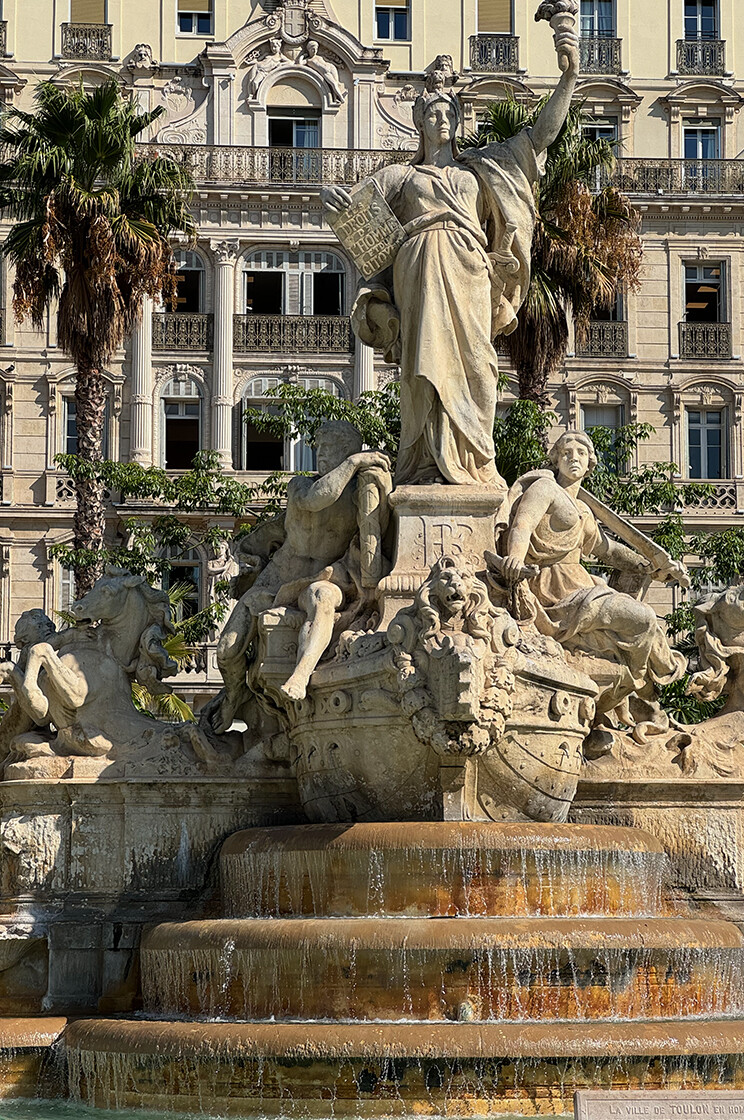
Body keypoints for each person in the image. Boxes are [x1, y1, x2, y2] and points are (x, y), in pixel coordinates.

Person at [320, 24, 580, 487]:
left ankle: (475, 463)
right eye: (433, 113)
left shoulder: (482, 167)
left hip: (470, 271)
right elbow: (354, 215)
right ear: (419, 122)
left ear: (459, 122)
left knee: (478, 367)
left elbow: (540, 136)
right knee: (422, 368)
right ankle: (422, 466)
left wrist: (569, 77)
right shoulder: (402, 176)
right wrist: (332, 200)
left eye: (449, 114)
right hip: (418, 269)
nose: (442, 120)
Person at [207, 422, 391, 731]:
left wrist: (379, 482)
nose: (321, 456)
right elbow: (317, 499)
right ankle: (234, 696)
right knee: (227, 650)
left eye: (330, 450)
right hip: (277, 579)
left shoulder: (361, 492)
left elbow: (378, 527)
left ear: (347, 450)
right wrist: (355, 461)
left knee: (321, 598)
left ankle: (302, 674)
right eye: (319, 449)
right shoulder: (301, 485)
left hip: (328, 577)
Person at [495, 430, 687, 727]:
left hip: (579, 582)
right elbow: (522, 525)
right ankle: (650, 679)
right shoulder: (545, 488)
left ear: (590, 464)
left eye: (581, 454)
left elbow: (606, 550)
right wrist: (515, 560)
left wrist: (649, 567)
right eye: (566, 452)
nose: (573, 458)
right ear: (556, 460)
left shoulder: (583, 509)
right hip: (552, 586)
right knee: (644, 619)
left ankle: (628, 687)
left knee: (641, 625)